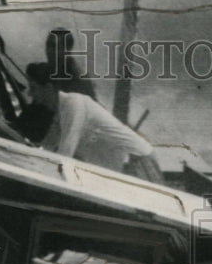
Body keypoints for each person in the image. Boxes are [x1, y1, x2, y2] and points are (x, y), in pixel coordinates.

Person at [25, 62, 164, 184]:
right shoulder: (60, 113)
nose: (29, 94)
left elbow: (65, 154)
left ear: (48, 88)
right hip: (119, 170)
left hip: (137, 161)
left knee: (158, 211)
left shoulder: (73, 104)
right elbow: (47, 147)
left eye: (33, 88)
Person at [44, 29, 98, 100]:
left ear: (67, 50)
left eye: (54, 47)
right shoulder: (47, 70)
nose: (49, 51)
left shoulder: (79, 79)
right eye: (48, 45)